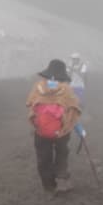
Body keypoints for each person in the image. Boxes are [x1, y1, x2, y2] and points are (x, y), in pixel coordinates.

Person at [26, 60, 81, 193]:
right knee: (62, 153)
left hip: (41, 131)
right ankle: (62, 177)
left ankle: (49, 186)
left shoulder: (38, 87)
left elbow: (30, 104)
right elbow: (73, 109)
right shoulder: (66, 89)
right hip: (61, 130)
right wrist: (78, 128)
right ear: (62, 74)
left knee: (43, 157)